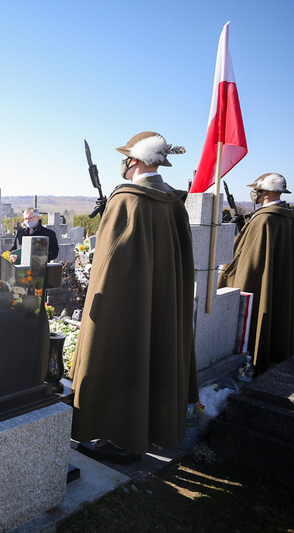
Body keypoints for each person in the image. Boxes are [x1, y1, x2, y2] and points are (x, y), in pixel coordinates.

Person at [69, 131, 198, 463]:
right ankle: (150, 430)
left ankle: (122, 439)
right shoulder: (173, 201)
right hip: (162, 303)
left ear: (136, 159)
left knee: (119, 358)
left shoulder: (127, 198)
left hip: (126, 305)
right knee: (155, 355)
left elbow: (107, 267)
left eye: (127, 156)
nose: (123, 162)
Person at [218, 173, 294, 374]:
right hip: (283, 281)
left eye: (257, 190)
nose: (254, 193)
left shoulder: (264, 220)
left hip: (259, 281)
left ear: (267, 192)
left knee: (257, 315)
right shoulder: (289, 216)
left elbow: (249, 261)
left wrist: (229, 278)